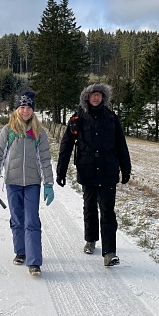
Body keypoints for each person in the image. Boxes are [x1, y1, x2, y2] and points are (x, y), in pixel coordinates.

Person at [56, 83, 131, 266]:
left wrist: (126, 169)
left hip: (108, 171)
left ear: (103, 98)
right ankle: (91, 239)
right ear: (87, 98)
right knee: (89, 207)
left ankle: (109, 252)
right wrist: (61, 171)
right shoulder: (78, 118)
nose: (96, 98)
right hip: (87, 169)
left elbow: (121, 145)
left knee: (107, 211)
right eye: (92, 95)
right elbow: (66, 145)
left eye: (99, 95)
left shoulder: (112, 118)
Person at [0, 90, 54, 277]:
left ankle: (34, 262)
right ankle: (21, 252)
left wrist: (48, 184)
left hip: (33, 183)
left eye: (29, 107)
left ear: (33, 109)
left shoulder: (38, 132)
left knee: (32, 220)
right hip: (12, 182)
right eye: (22, 107)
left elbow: (45, 159)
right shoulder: (8, 131)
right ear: (17, 109)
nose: (25, 111)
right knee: (17, 218)